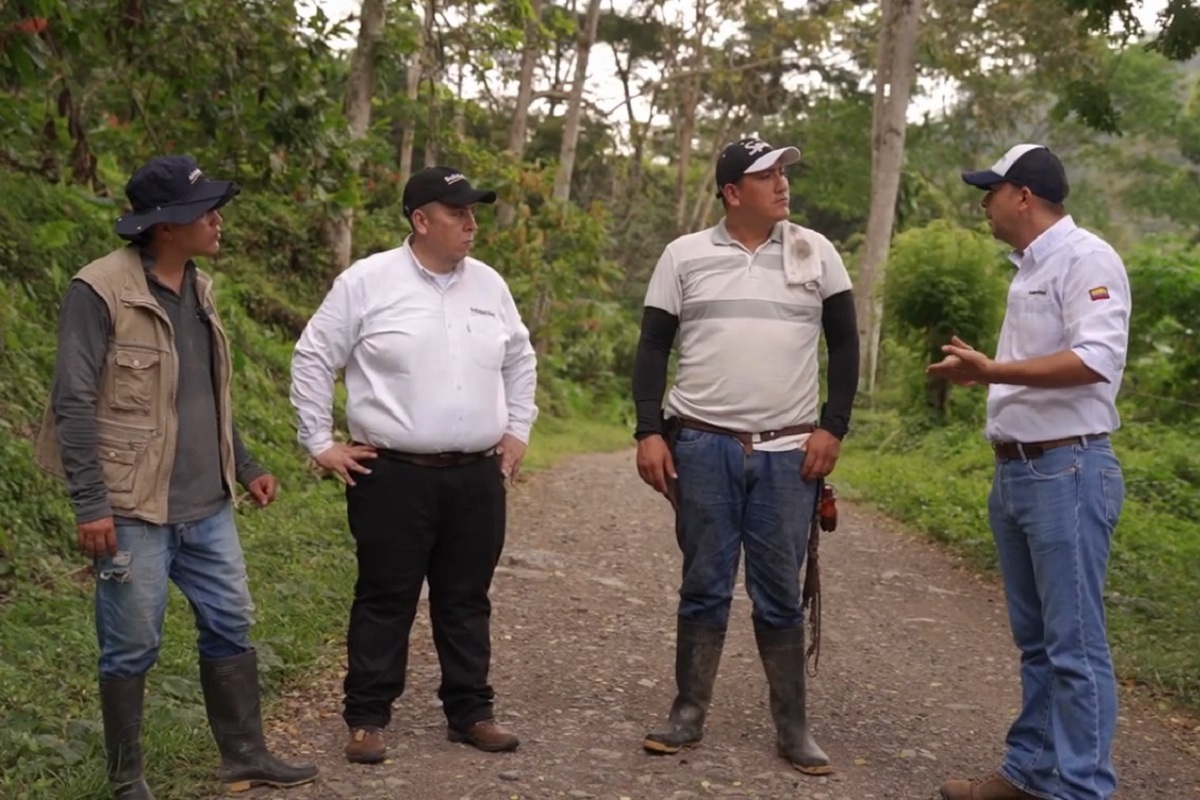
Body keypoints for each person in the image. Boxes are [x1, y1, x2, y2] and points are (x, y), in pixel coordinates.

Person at [34, 155, 318, 799]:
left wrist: (244, 464)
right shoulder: (99, 290)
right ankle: (126, 779)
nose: (217, 220)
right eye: (205, 210)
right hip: (132, 508)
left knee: (231, 622)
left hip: (207, 503)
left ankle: (245, 755)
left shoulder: (201, 288)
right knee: (130, 647)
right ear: (165, 225)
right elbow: (72, 402)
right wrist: (90, 505)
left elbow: (203, 392)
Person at [290, 165, 537, 764]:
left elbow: (519, 358)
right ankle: (368, 717)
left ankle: (471, 712)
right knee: (385, 596)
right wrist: (320, 442)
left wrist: (518, 429)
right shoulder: (367, 282)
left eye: (474, 212)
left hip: (477, 474)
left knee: (466, 596)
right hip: (393, 474)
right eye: (458, 213)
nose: (471, 224)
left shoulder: (489, 286)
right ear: (420, 219)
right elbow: (314, 357)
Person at [631, 138, 860, 775]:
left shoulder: (818, 253)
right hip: (702, 445)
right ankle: (687, 713)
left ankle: (794, 729)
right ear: (734, 193)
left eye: (785, 172)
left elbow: (844, 347)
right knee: (703, 583)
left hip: (791, 451)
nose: (783, 184)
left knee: (781, 595)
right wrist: (648, 431)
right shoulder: (684, 256)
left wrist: (832, 428)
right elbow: (652, 348)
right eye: (768, 176)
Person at [929, 144, 1130, 800]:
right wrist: (986, 376)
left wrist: (992, 371)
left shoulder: (1086, 258)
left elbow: (1096, 358)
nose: (982, 203)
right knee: (1039, 642)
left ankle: (1082, 789)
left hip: (1066, 469)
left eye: (990, 191)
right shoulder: (1030, 268)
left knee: (1074, 645)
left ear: (1022, 195)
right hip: (1019, 472)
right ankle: (1032, 772)